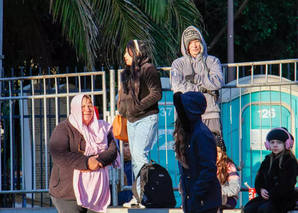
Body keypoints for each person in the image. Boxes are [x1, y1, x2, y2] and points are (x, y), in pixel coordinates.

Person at [49, 94, 120, 213]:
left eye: (90, 105)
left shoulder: (102, 128)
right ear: (75, 108)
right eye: (82, 106)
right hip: (68, 194)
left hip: (96, 192)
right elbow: (59, 153)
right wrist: (86, 162)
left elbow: (112, 151)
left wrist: (96, 162)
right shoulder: (64, 128)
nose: (87, 109)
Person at [118, 39, 162, 208]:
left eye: (127, 52)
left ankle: (146, 195)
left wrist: (136, 108)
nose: (124, 56)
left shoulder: (148, 69)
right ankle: (138, 197)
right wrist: (124, 110)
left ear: (136, 52)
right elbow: (124, 96)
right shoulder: (126, 73)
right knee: (135, 159)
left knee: (139, 155)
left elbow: (156, 94)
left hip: (146, 117)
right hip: (132, 120)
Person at [173, 91, 221, 213]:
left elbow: (209, 168)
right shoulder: (190, 133)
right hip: (195, 201)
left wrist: (197, 193)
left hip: (204, 202)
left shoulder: (201, 134)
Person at [171, 25, 224, 133]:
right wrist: (202, 90)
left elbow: (218, 82)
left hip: (211, 113)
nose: (194, 46)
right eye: (190, 43)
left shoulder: (213, 61)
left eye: (196, 41)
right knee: (186, 149)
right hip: (186, 115)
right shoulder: (178, 64)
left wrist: (196, 78)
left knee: (215, 148)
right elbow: (177, 86)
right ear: (186, 46)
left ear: (202, 42)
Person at [243, 127, 298, 213]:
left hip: (284, 198)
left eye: (279, 142)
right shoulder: (267, 160)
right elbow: (259, 178)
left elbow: (288, 183)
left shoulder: (290, 160)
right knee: (249, 209)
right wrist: (261, 189)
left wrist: (271, 194)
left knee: (264, 210)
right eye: (272, 142)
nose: (275, 145)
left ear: (286, 144)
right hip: (268, 197)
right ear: (268, 144)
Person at [212, 130, 241, 211]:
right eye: (212, 152)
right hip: (209, 198)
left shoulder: (229, 166)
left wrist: (215, 192)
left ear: (223, 153)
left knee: (213, 204)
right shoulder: (203, 164)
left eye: (218, 152)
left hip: (227, 199)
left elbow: (235, 188)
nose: (216, 155)